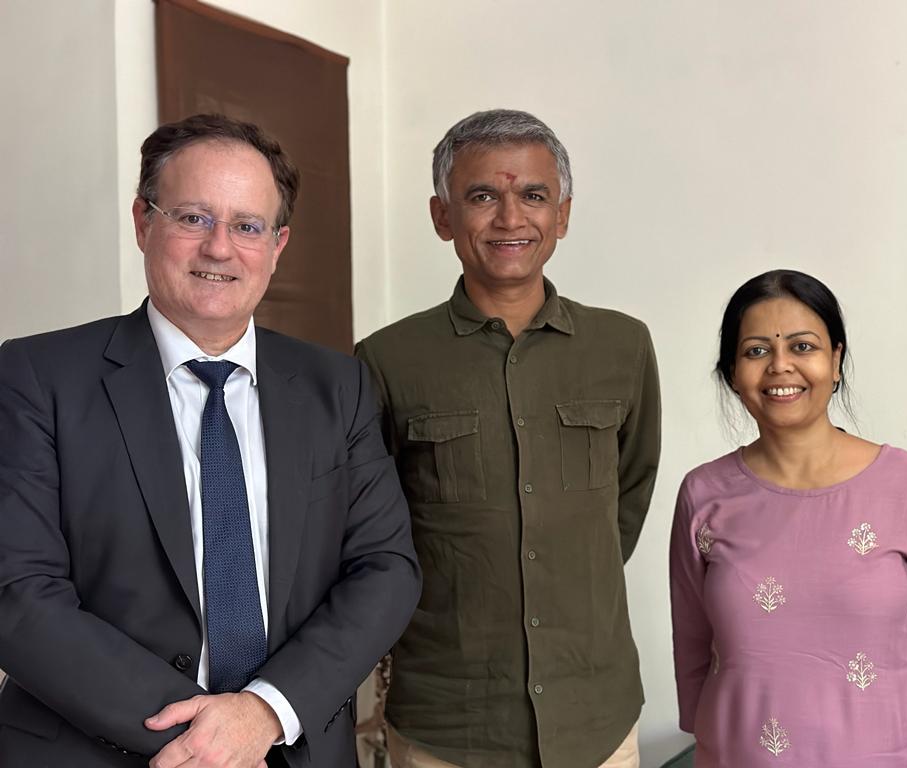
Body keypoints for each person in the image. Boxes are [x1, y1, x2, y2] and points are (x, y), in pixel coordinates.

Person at [0, 114, 421, 768]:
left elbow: (386, 570)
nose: (220, 248)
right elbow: (18, 594)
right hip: (95, 750)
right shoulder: (36, 377)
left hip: (287, 746)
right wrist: (205, 740)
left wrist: (264, 712)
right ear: (143, 222)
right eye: (192, 217)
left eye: (247, 226)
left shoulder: (336, 386)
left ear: (278, 244)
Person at [355, 109, 661, 768]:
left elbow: (625, 504)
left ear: (564, 213)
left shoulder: (623, 347)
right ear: (442, 216)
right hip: (447, 724)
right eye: (482, 196)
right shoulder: (384, 361)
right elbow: (373, 534)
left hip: (595, 720)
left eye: (533, 195)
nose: (510, 218)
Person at [670, 269, 907, 767]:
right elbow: (693, 646)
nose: (780, 366)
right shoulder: (704, 494)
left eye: (803, 347)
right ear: (731, 372)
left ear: (836, 360)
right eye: (756, 351)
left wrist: (887, 736)